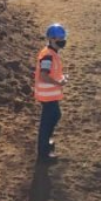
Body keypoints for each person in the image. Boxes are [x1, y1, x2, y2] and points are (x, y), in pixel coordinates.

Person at [34, 24, 68, 162]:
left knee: (54, 116)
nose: (62, 41)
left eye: (63, 38)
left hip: (49, 94)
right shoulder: (48, 56)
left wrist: (61, 78)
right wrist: (59, 83)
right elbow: (44, 76)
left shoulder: (52, 53)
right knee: (48, 122)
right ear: (50, 39)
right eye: (58, 38)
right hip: (47, 95)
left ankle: (46, 143)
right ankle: (44, 153)